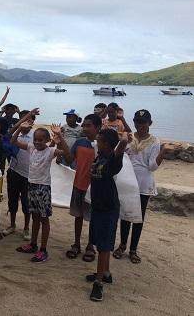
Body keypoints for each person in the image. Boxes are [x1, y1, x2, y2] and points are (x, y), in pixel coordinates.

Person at [112, 109, 171, 264]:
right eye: (137, 122)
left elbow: (152, 166)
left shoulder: (154, 141)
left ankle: (133, 249)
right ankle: (122, 245)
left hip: (144, 184)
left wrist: (162, 153)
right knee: (125, 215)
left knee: (138, 218)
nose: (140, 125)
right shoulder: (129, 138)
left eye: (143, 122)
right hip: (127, 183)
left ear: (149, 123)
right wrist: (123, 142)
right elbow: (119, 155)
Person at [83, 129, 128, 302]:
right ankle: (106, 273)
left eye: (100, 140)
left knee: (104, 247)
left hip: (108, 209)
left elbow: (122, 144)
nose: (96, 142)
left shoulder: (113, 160)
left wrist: (123, 136)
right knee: (102, 244)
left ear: (108, 144)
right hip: (98, 207)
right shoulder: (100, 157)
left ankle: (98, 283)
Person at [12, 123, 62, 262]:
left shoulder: (50, 151)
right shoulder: (31, 148)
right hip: (31, 185)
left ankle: (43, 250)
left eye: (41, 140)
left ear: (47, 140)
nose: (37, 142)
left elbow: (67, 154)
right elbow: (13, 141)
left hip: (43, 188)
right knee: (35, 216)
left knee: (44, 219)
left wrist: (60, 138)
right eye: (35, 139)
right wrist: (20, 129)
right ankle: (33, 244)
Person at [57, 114, 102, 262]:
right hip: (78, 184)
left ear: (98, 127)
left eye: (89, 126)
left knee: (94, 218)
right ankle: (76, 243)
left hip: (94, 188)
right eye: (84, 125)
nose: (85, 128)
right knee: (78, 216)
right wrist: (60, 138)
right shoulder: (80, 142)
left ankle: (90, 245)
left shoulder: (103, 144)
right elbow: (70, 159)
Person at [2, 110, 36, 240]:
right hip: (14, 171)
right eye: (23, 119)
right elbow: (9, 141)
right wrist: (20, 127)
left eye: (30, 119)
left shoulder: (35, 136)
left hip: (29, 175)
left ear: (33, 122)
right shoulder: (14, 134)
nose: (27, 121)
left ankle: (27, 228)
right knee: (12, 200)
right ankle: (12, 225)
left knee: (27, 203)